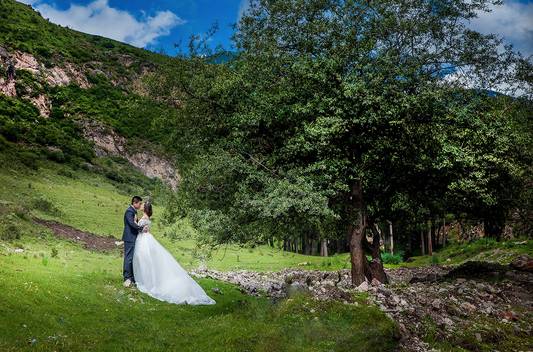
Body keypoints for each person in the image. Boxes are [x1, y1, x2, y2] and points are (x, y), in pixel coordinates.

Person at [132, 202, 215, 305]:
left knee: (144, 259)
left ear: (145, 208)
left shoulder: (144, 218)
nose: (141, 206)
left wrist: (135, 221)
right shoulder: (147, 217)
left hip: (143, 239)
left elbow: (139, 229)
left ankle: (146, 281)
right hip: (147, 238)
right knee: (148, 260)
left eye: (142, 205)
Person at [122, 196, 143, 288]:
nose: (140, 205)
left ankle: (131, 277)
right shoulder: (129, 211)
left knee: (131, 257)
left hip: (132, 237)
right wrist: (141, 228)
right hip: (129, 237)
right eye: (140, 203)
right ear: (135, 203)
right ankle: (127, 277)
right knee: (128, 258)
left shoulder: (133, 211)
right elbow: (131, 223)